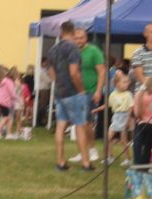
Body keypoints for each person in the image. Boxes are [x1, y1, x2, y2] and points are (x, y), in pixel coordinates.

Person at [45, 21, 92, 172]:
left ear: (61, 32)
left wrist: (58, 82)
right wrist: (81, 90)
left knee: (60, 127)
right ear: (73, 32)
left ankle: (60, 162)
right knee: (80, 125)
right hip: (73, 92)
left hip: (60, 93)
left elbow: (49, 69)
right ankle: (86, 163)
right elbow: (74, 72)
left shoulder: (53, 49)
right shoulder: (73, 48)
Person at [76, 27, 108, 158]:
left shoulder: (94, 51)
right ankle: (82, 151)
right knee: (79, 122)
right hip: (76, 92)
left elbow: (102, 71)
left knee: (86, 122)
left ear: (86, 38)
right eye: (76, 38)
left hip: (90, 91)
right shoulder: (73, 52)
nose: (79, 41)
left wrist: (98, 91)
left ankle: (92, 149)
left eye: (81, 38)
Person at [108, 70, 134, 161]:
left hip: (124, 116)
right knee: (109, 137)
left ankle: (128, 159)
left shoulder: (128, 94)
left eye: (127, 82)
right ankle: (110, 156)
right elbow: (109, 105)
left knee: (124, 140)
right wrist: (98, 109)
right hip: (116, 117)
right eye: (124, 82)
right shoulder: (112, 94)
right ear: (117, 84)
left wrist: (128, 120)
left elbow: (130, 108)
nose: (127, 84)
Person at [133, 76, 152, 166]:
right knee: (148, 147)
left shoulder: (138, 95)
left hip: (141, 123)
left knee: (138, 145)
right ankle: (145, 165)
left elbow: (136, 114)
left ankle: (137, 163)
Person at [0, 68, 18, 140]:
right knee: (6, 118)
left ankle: (8, 134)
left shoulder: (5, 80)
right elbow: (12, 94)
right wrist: (18, 98)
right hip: (5, 102)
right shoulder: (9, 82)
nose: (17, 77)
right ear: (14, 75)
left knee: (8, 118)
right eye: (16, 75)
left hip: (0, 100)